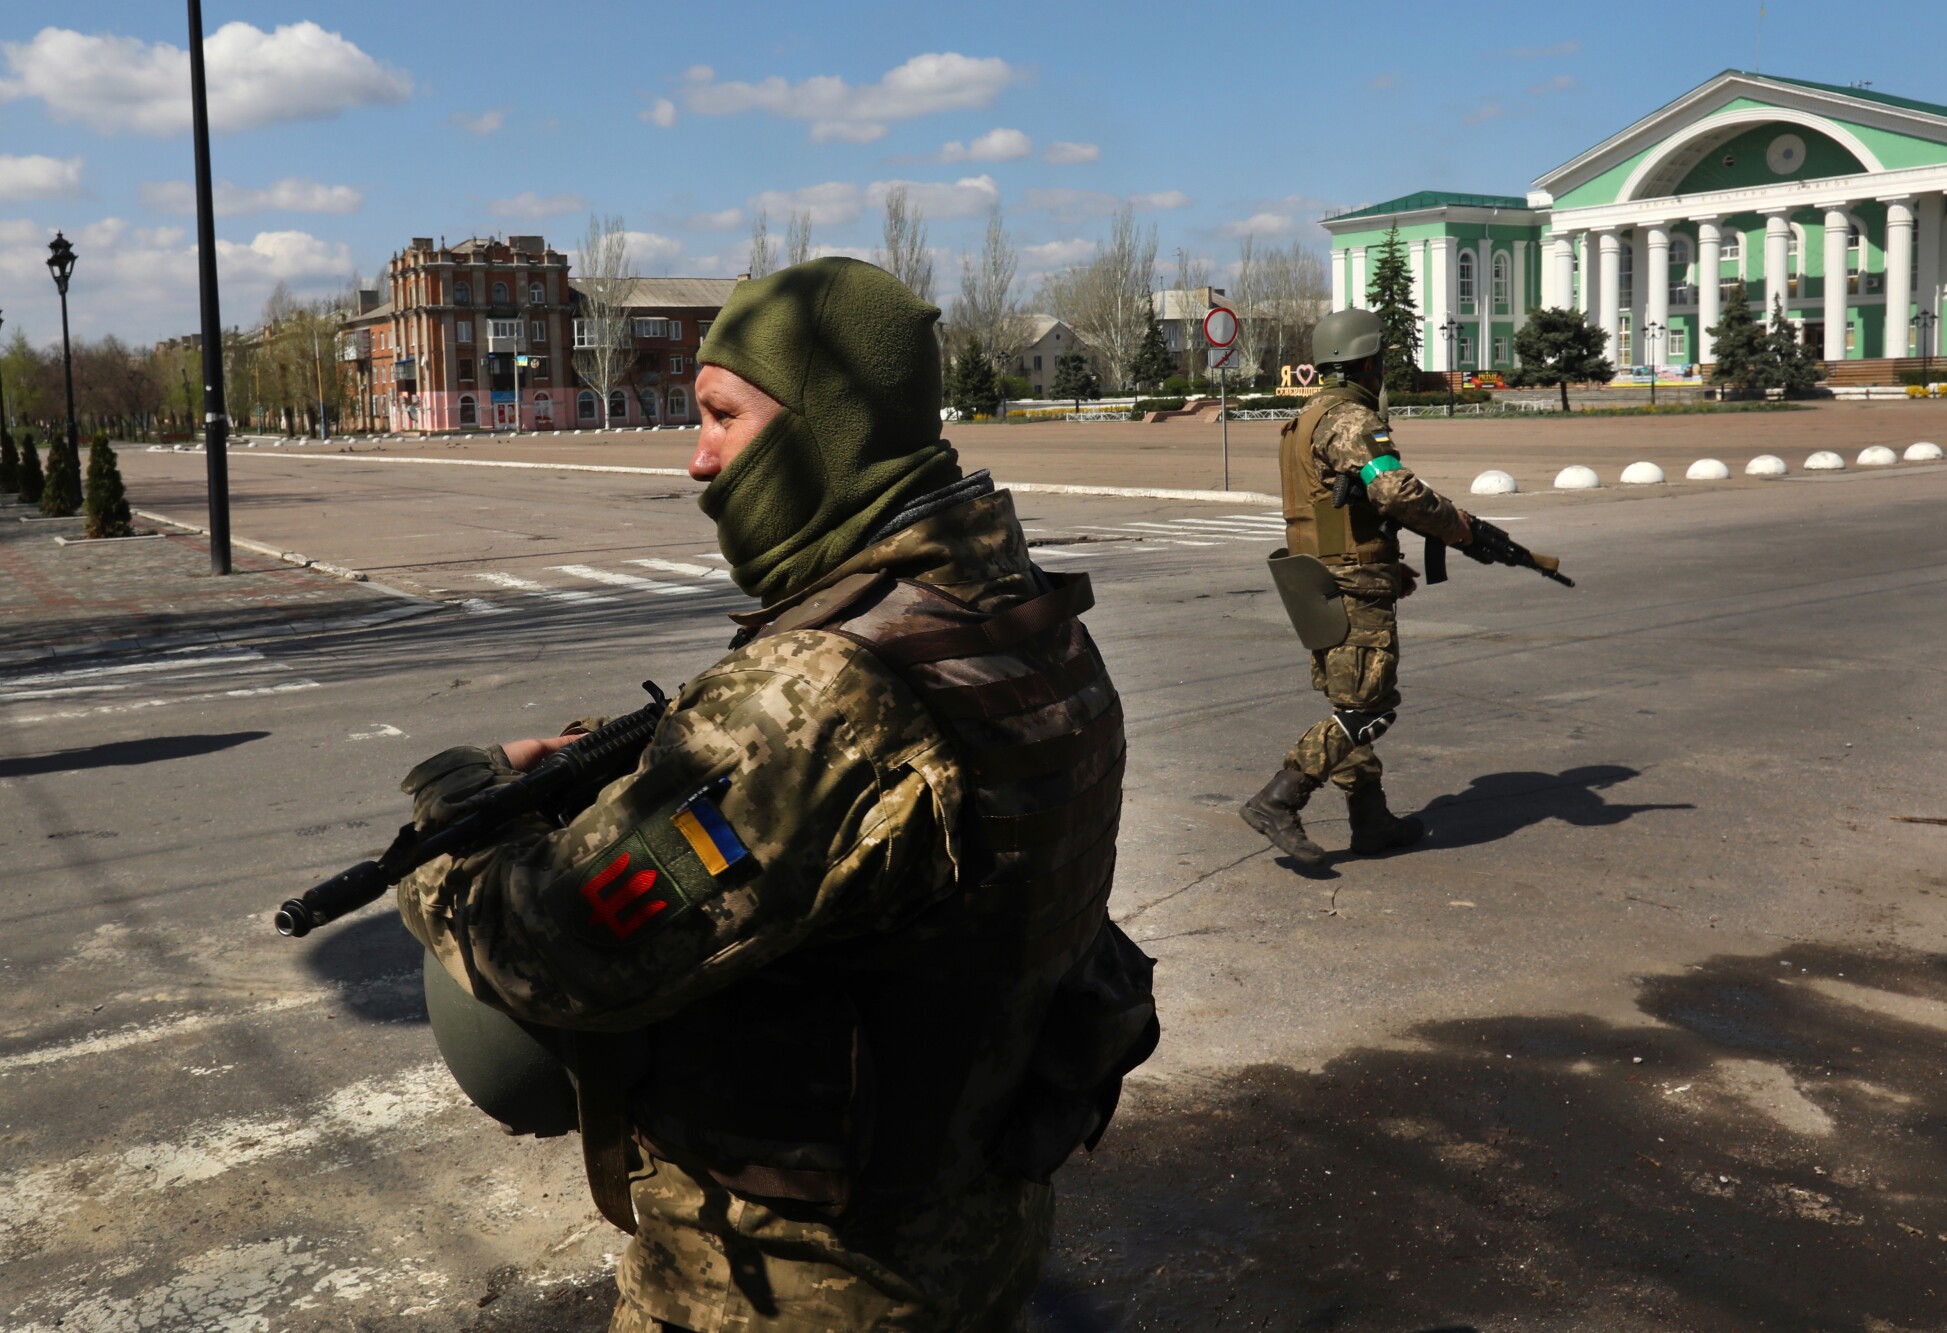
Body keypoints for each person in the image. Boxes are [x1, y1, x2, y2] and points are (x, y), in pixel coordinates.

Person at [395, 258, 1157, 1331]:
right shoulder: (1022, 619)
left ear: (823, 428)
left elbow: (552, 950)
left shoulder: (820, 693)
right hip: (977, 1241)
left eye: (720, 417)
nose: (698, 460)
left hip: (792, 1290)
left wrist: (450, 812)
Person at [1240, 307, 1491, 865]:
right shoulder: (1352, 420)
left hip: (1320, 576)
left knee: (1347, 701)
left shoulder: (1308, 416)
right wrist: (1459, 527)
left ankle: (1371, 821)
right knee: (1368, 707)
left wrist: (1383, 559)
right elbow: (1396, 492)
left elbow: (1340, 506)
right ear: (1368, 362)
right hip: (1348, 585)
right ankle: (1279, 797)